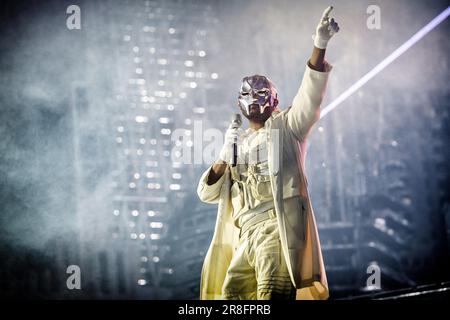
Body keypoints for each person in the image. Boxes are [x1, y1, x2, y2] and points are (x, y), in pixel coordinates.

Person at [197, 6, 339, 300]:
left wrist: (319, 45)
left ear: (274, 100)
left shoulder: (286, 127)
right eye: (247, 94)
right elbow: (206, 193)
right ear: (238, 103)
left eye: (262, 93)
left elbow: (310, 95)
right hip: (244, 235)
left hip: (276, 227)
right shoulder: (235, 144)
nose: (254, 98)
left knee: (271, 295)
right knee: (231, 297)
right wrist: (225, 154)